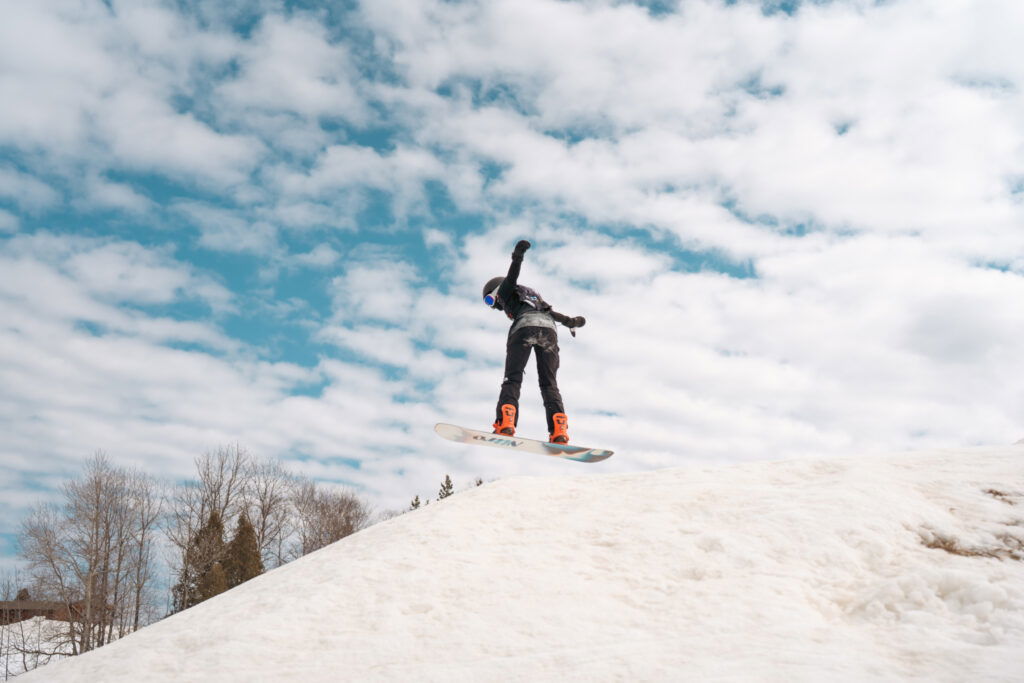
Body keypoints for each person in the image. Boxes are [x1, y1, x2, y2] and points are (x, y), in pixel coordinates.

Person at [481, 240, 586, 443]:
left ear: (496, 292)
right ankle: (559, 430)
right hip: (549, 332)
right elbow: (556, 315)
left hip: (524, 329)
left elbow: (512, 275)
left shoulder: (504, 291)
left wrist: (518, 255)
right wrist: (573, 322)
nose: (495, 307)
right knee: (549, 384)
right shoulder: (536, 299)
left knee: (512, 378)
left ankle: (506, 423)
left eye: (490, 301)